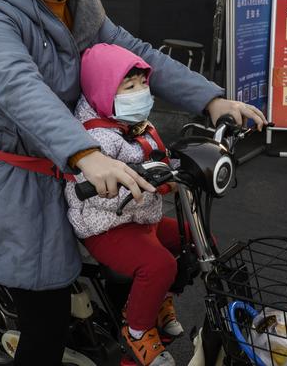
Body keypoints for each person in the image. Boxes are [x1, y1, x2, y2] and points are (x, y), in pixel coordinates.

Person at [0, 0, 267, 365]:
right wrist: (85, 151)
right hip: (18, 177)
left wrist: (210, 100)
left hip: (83, 165)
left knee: (166, 250)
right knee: (46, 323)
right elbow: (19, 86)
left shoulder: (81, 2)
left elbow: (137, 55)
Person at [65, 43, 188, 366]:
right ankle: (137, 332)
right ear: (104, 91)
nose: (141, 92)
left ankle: (157, 300)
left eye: (143, 84)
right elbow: (96, 191)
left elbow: (159, 156)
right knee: (160, 265)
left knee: (192, 240)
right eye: (129, 86)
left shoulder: (135, 124)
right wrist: (152, 186)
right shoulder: (95, 139)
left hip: (141, 216)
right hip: (105, 225)